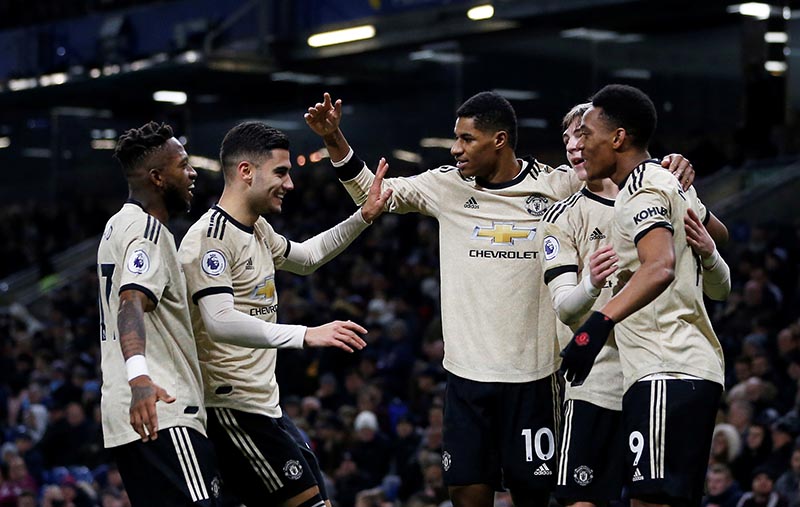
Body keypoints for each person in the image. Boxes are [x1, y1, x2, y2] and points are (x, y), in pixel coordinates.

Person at [305, 91, 696, 507]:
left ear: (500, 140)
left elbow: (616, 172)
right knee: (467, 496)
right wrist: (334, 139)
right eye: (456, 139)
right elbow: (372, 192)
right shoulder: (445, 186)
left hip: (536, 377)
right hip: (467, 378)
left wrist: (668, 166)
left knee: (537, 499)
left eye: (467, 139)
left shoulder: (556, 185)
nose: (456, 149)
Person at [177, 121, 391, 507]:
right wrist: (305, 334)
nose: (290, 184)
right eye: (281, 171)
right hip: (231, 410)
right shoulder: (209, 238)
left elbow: (306, 258)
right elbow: (219, 321)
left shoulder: (257, 229)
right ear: (246, 171)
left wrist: (363, 216)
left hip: (265, 408)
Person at [543, 103, 731, 507]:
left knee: (655, 497)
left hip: (661, 361)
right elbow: (565, 308)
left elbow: (686, 268)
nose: (576, 146)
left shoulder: (657, 184)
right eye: (568, 139)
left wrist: (712, 252)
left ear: (617, 137)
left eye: (584, 134)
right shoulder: (566, 214)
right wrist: (592, 285)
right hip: (602, 376)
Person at [97, 122, 220, 506]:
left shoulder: (117, 226)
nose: (193, 172)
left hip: (134, 416)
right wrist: (141, 381)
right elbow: (131, 301)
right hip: (162, 409)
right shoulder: (146, 231)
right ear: (157, 177)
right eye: (183, 165)